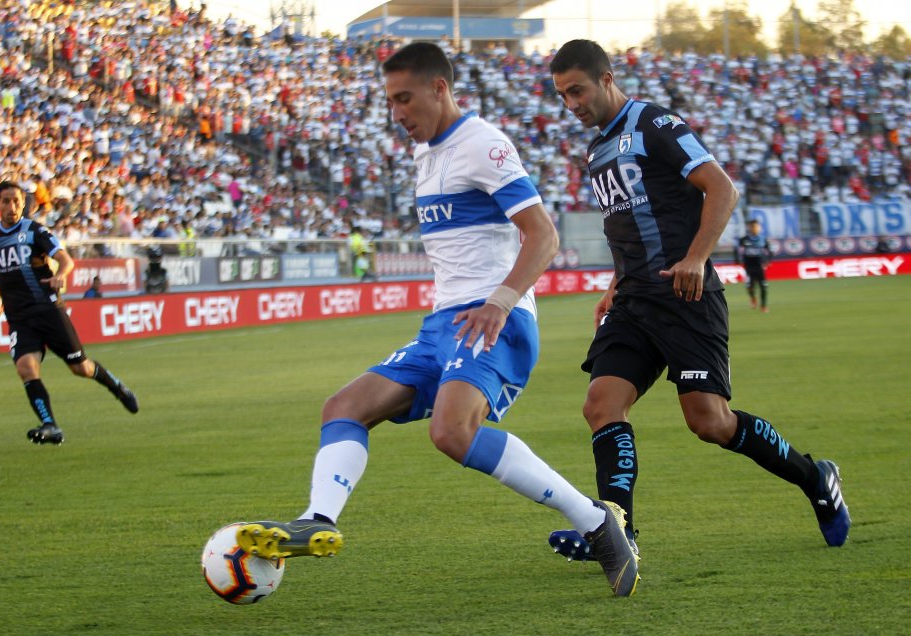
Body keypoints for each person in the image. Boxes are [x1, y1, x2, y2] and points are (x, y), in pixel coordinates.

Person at [234, 42, 640, 597]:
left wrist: (499, 301)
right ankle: (318, 522)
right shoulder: (426, 153)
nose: (397, 113)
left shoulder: (484, 145)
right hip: (442, 326)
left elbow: (542, 236)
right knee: (344, 407)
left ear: (439, 88)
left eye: (404, 99)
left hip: (495, 320)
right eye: (390, 102)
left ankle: (596, 524)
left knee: (451, 432)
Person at [546, 40, 850, 562]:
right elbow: (627, 225)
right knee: (601, 406)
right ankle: (617, 532)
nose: (571, 103)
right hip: (634, 303)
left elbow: (721, 188)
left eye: (577, 90)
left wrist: (695, 257)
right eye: (562, 95)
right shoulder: (597, 152)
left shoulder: (655, 124)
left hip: (687, 297)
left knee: (710, 422)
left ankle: (814, 476)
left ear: (607, 78)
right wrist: (615, 284)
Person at [0, 181, 139, 446]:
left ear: (23, 203)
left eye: (16, 201)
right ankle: (50, 424)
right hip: (19, 317)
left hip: (47, 310)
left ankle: (117, 387)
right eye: (5, 201)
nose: (11, 207)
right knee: (25, 367)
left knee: (80, 367)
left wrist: (61, 276)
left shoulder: (34, 231)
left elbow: (66, 260)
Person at [735, 219, 772, 312]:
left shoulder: (763, 239)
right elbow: (737, 250)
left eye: (757, 227)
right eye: (753, 227)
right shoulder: (744, 240)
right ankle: (753, 297)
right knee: (749, 286)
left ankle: (764, 306)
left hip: (760, 266)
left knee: (763, 286)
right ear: (749, 228)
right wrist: (738, 260)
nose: (755, 229)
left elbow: (770, 251)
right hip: (748, 266)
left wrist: (768, 261)